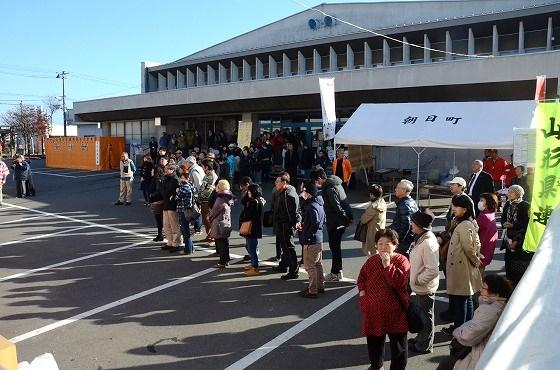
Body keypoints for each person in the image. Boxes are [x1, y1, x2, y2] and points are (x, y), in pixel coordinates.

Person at [357, 229, 410, 370]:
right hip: (373, 311)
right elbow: (361, 278)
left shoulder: (401, 260)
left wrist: (388, 265)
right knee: (374, 341)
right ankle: (376, 365)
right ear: (376, 245)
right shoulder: (372, 260)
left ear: (395, 245)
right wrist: (363, 295)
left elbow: (399, 282)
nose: (383, 247)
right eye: (380, 244)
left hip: (396, 312)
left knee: (398, 345)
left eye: (387, 244)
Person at [437, 274, 512, 370]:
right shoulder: (498, 305)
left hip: (476, 355)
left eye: (484, 288)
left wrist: (456, 332)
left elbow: (469, 336)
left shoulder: (489, 310)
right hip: (482, 350)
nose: (481, 290)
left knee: (446, 364)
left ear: (495, 293)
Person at [443, 194, 483, 336]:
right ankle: (464, 328)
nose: (453, 208)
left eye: (456, 206)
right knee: (466, 298)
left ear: (465, 209)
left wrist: (476, 260)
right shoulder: (464, 222)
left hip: (462, 266)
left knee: (462, 301)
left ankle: (460, 330)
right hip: (463, 265)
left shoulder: (465, 224)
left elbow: (468, 247)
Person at [311, 168, 353, 282]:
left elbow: (337, 207)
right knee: (336, 247)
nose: (316, 184)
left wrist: (346, 219)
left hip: (336, 222)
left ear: (319, 178)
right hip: (339, 221)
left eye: (316, 181)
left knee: (335, 248)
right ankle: (337, 271)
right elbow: (344, 202)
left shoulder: (329, 188)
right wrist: (348, 218)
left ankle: (336, 272)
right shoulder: (336, 184)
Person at [408, 209, 440, 354]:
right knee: (423, 316)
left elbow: (432, 269)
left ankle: (424, 345)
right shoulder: (422, 237)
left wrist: (417, 280)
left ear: (420, 225)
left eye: (413, 222)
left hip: (425, 287)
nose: (411, 225)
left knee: (426, 319)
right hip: (422, 287)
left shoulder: (427, 243)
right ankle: (421, 339)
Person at [298, 180, 326, 298]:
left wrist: (305, 232)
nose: (303, 193)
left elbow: (313, 223)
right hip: (318, 239)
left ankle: (312, 290)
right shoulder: (319, 204)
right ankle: (320, 286)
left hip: (311, 240)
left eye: (304, 191)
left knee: (310, 266)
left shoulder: (311, 207)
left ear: (309, 192)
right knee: (318, 264)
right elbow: (322, 221)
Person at [272, 173, 301, 280]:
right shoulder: (288, 190)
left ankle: (294, 271)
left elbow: (291, 213)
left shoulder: (287, 195)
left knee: (288, 247)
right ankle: (284, 265)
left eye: (277, 182)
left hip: (286, 225)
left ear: (284, 182)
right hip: (284, 224)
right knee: (285, 246)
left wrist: (294, 223)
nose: (275, 184)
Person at [501, 185, 531, 286]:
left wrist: (514, 225)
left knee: (518, 264)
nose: (508, 193)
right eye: (508, 191)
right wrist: (504, 223)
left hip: (519, 238)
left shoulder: (525, 205)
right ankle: (509, 285)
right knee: (508, 262)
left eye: (511, 192)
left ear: (518, 194)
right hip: (508, 236)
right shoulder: (507, 205)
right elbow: (503, 217)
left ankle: (518, 286)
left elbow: (526, 223)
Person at [389, 179, 419, 258]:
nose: (395, 189)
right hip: (408, 239)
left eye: (397, 187)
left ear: (403, 190)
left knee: (399, 261)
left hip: (403, 241)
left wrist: (397, 240)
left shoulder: (404, 204)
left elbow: (406, 225)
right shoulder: (410, 201)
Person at [208, 179, 234, 268]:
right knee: (225, 241)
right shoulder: (228, 196)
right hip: (226, 220)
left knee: (220, 241)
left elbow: (214, 211)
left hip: (219, 221)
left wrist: (209, 217)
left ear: (220, 187)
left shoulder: (220, 198)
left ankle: (222, 262)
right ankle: (226, 259)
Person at [240, 183, 264, 276]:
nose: (248, 193)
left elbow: (248, 215)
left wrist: (242, 219)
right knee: (253, 246)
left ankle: (255, 267)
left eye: (249, 191)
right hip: (256, 227)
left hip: (251, 228)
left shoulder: (254, 202)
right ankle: (253, 264)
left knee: (252, 248)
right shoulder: (260, 199)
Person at [360, 184, 387, 255]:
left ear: (372, 194)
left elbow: (363, 220)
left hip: (371, 233)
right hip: (380, 230)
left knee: (372, 254)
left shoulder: (373, 207)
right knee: (378, 252)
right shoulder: (382, 202)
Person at [160, 164, 181, 251]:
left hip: (172, 205)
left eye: (166, 169)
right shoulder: (166, 178)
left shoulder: (175, 179)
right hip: (166, 204)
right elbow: (162, 191)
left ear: (172, 170)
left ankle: (176, 243)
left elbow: (169, 192)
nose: (164, 171)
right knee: (166, 225)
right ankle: (170, 242)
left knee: (174, 225)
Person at [476, 193, 499, 274]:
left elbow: (473, 230)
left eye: (482, 200)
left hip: (480, 249)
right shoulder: (490, 214)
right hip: (487, 250)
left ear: (488, 203)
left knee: (477, 275)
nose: (479, 202)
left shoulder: (484, 216)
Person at [174, 169, 195, 255]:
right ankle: (191, 248)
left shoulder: (184, 187)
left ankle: (188, 249)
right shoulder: (191, 185)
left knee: (185, 230)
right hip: (189, 209)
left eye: (182, 177)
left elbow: (177, 198)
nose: (180, 179)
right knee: (186, 229)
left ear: (185, 178)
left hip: (183, 210)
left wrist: (177, 191)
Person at [199, 159, 218, 244]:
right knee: (206, 219)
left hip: (207, 200)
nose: (202, 168)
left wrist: (200, 196)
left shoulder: (211, 175)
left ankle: (212, 236)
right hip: (205, 200)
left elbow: (208, 189)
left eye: (202, 166)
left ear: (206, 167)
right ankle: (209, 235)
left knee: (208, 219)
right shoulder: (208, 174)